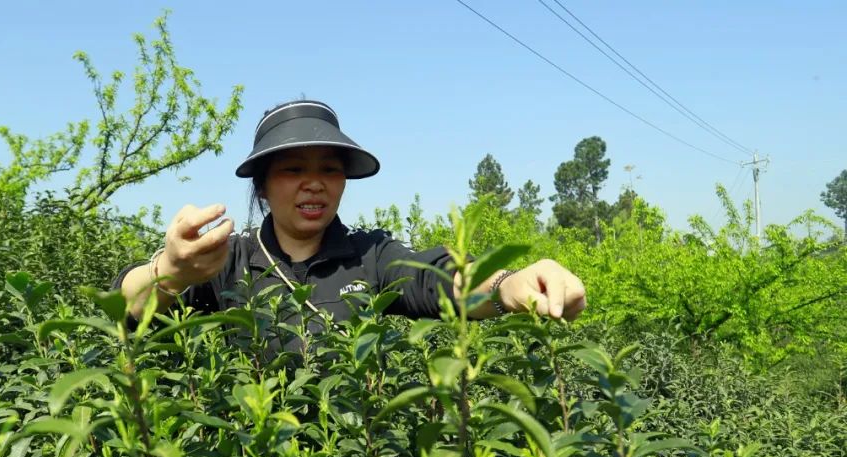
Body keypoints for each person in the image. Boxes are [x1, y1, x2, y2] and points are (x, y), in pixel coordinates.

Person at [113, 100, 586, 339]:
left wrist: (508, 282)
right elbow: (124, 306)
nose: (314, 183)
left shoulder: (371, 255)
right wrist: (169, 274)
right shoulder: (226, 260)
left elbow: (440, 280)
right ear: (262, 185)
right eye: (293, 170)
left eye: (330, 170)